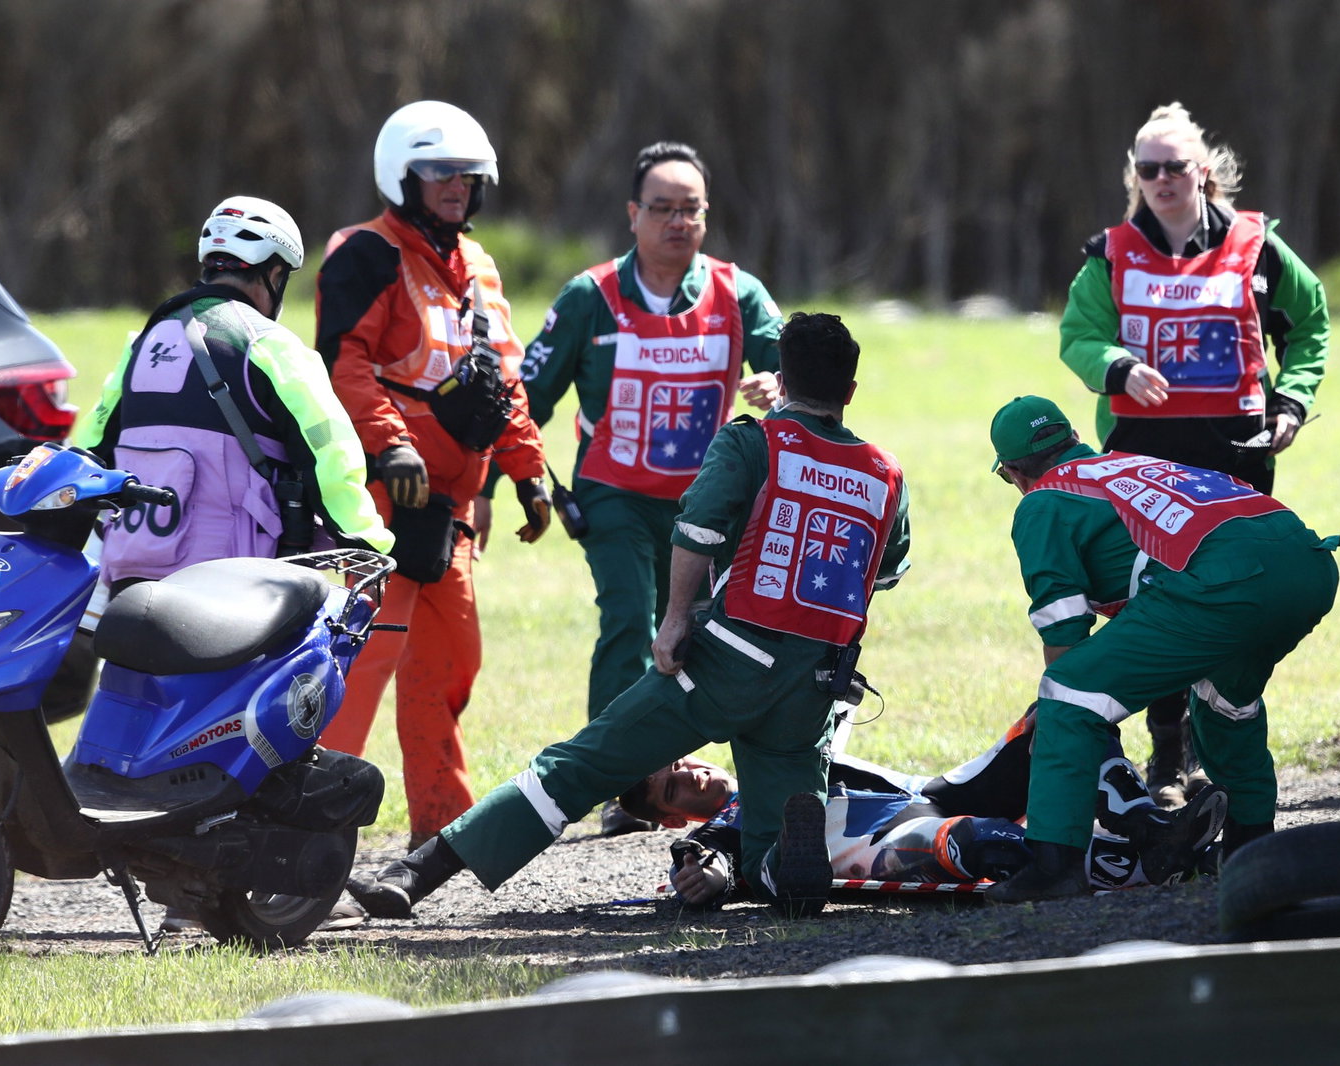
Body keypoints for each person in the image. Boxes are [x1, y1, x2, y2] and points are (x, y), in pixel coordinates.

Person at [348, 311, 909, 920]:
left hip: (729, 660)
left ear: (782, 377)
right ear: (849, 392)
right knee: (775, 824)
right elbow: (884, 570)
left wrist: (672, 622)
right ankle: (783, 875)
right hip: (815, 682)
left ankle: (414, 874)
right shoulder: (885, 472)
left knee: (581, 764)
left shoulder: (755, 441)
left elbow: (696, 528)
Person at [72, 195, 394, 933]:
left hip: (138, 565)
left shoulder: (145, 339)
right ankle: (221, 881)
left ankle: (167, 864)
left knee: (160, 721)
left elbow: (93, 437)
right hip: (231, 574)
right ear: (274, 274)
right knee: (238, 728)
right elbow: (332, 448)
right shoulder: (266, 343)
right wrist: (369, 539)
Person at [1058, 102, 1330, 807]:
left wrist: (1293, 401)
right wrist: (1117, 366)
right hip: (1145, 459)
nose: (1160, 180)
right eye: (1146, 169)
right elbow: (1078, 336)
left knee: (1232, 604)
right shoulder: (1111, 253)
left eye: (1174, 167)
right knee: (1156, 603)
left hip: (1237, 459)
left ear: (1202, 172)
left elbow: (1311, 324)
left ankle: (1224, 756)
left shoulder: (1257, 245)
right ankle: (1168, 756)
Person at [519, 141, 785, 836]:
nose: (677, 222)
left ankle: (746, 782)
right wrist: (505, 483)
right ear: (633, 215)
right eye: (661, 208)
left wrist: (775, 387)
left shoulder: (738, 292)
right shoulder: (590, 297)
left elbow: (793, 368)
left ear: (705, 215)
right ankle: (615, 784)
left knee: (717, 633)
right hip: (614, 496)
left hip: (709, 503)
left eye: (689, 209)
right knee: (630, 621)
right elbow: (526, 398)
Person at [984, 395, 1339, 903]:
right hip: (1307, 561)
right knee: (1225, 705)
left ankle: (1054, 866)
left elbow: (1063, 625)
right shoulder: (1128, 464)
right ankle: (1250, 851)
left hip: (1226, 580)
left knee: (1067, 693)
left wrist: (1066, 715)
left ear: (1014, 471)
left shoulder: (1044, 499)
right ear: (1073, 441)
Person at [313, 101, 551, 852]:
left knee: (452, 661)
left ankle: (440, 832)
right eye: (441, 171)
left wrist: (529, 472)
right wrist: (392, 447)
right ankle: (308, 831)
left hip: (450, 509)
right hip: (383, 504)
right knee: (360, 661)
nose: (456, 185)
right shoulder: (364, 254)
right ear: (402, 175)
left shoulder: (478, 268)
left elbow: (501, 381)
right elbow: (343, 361)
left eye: (468, 174)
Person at [622, 707, 1226, 908]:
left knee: (1060, 716)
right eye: (675, 789)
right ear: (673, 816)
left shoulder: (772, 746)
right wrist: (705, 876)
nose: (694, 776)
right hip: (889, 844)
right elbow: (707, 864)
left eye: (682, 764)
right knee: (969, 841)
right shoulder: (725, 830)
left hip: (932, 792)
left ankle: (1151, 829)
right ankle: (1144, 865)